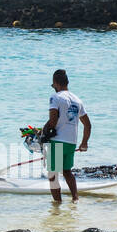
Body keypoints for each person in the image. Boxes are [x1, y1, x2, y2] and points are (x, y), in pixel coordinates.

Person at [42, 68, 91, 202]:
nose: (53, 88)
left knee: (53, 174)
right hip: (71, 142)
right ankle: (75, 199)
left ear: (56, 83)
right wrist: (84, 142)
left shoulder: (55, 97)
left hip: (57, 141)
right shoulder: (77, 100)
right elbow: (88, 125)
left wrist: (43, 133)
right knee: (67, 171)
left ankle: (57, 205)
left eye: (53, 85)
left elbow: (53, 121)